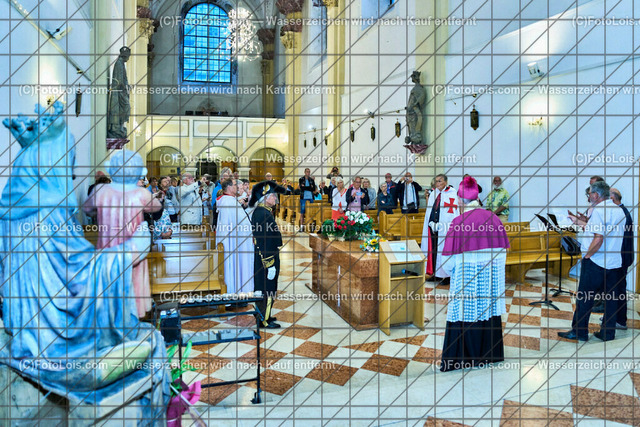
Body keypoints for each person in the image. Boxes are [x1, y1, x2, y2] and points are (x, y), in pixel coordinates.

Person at [439, 176, 510, 372]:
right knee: (487, 311)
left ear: (461, 201)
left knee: (465, 311)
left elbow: (448, 263)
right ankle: (489, 355)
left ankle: (463, 359)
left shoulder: (458, 222)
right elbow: (502, 254)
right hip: (489, 281)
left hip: (466, 281)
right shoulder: (494, 219)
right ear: (477, 198)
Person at [82, 149, 162, 317]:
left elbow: (87, 209)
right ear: (140, 172)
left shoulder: (100, 190)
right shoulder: (141, 193)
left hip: (107, 250)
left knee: (109, 290)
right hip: (134, 249)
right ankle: (130, 321)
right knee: (133, 287)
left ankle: (113, 322)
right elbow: (156, 207)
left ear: (111, 169)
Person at [559, 181, 626, 341]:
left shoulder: (599, 211)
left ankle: (579, 332)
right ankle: (608, 333)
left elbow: (598, 238)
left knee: (585, 298)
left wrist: (587, 256)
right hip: (614, 262)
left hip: (596, 261)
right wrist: (580, 222)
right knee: (610, 300)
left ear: (596, 195)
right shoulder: (619, 211)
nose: (589, 197)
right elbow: (601, 231)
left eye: (589, 194)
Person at [250, 182, 284, 329]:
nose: (275, 198)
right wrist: (269, 263)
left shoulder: (263, 212)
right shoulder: (262, 214)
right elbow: (264, 241)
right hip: (267, 258)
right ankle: (264, 319)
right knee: (267, 288)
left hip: (265, 256)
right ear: (265, 198)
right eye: (273, 196)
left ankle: (265, 315)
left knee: (264, 287)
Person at [216, 179, 255, 294]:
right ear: (229, 187)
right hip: (234, 244)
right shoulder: (228, 202)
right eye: (234, 185)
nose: (237, 187)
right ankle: (235, 291)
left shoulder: (230, 200)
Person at [603, 188, 633, 330]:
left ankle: (620, 320)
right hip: (621, 256)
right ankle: (615, 318)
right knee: (616, 289)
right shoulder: (622, 211)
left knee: (618, 290)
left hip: (621, 257)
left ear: (612, 199)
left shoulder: (621, 213)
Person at [421, 174, 459, 280]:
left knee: (444, 250)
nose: (437, 183)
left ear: (445, 182)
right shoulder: (434, 193)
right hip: (433, 229)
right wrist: (430, 223)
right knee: (433, 250)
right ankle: (436, 274)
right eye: (436, 181)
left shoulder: (452, 193)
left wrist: (442, 225)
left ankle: (447, 276)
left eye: (440, 181)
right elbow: (430, 210)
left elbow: (452, 213)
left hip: (445, 229)